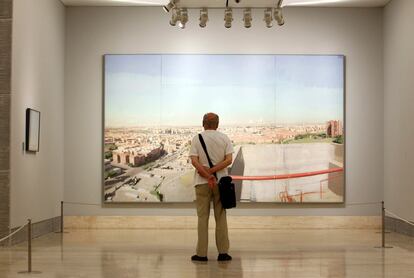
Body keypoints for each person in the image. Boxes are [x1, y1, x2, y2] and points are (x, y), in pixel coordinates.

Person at [189, 112, 234, 262]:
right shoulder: (224, 138)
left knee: (202, 218)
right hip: (221, 183)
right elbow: (228, 161)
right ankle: (223, 253)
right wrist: (213, 172)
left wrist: (206, 174)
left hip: (202, 183)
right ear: (217, 124)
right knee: (220, 217)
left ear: (203, 123)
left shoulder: (197, 138)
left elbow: (194, 161)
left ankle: (201, 254)